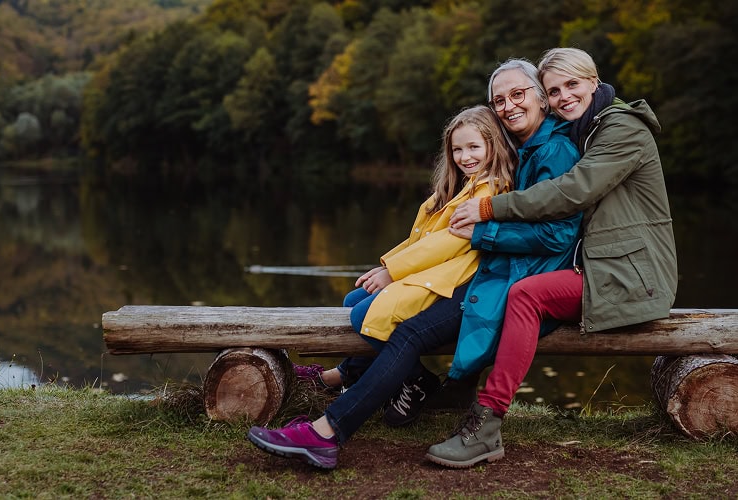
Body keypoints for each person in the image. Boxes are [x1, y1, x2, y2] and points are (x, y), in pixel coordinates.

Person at [247, 59, 582, 470]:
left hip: (511, 280)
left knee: (406, 333)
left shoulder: (551, 151)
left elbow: (552, 235)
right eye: (500, 100)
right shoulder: (523, 152)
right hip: (493, 274)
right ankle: (370, 394)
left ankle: (327, 431)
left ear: (541, 99)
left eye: (518, 95)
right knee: (388, 319)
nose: (510, 106)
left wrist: (477, 233)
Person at [425, 47, 677, 468]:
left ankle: (486, 424)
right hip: (601, 266)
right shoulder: (585, 128)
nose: (563, 97)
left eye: (572, 85)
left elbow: (573, 190)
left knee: (527, 294)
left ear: (594, 82)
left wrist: (491, 210)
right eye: (554, 90)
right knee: (502, 288)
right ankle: (456, 386)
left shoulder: (623, 130)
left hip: (632, 275)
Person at [294, 104, 517, 409]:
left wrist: (393, 273)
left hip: (451, 282)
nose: (466, 157)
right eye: (457, 149)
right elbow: (420, 239)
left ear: (494, 147)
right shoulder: (459, 187)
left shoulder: (488, 192)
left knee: (363, 316)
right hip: (430, 273)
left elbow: (447, 244)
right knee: (353, 301)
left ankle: (417, 379)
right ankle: (349, 374)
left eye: (474, 147)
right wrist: (386, 265)